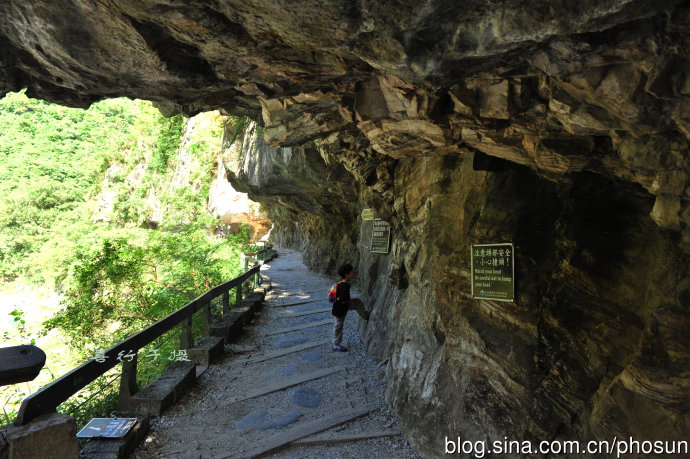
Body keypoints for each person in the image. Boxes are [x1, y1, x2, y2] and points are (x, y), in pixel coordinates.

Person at [331, 263, 369, 352]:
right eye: (351, 271)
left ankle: (336, 343)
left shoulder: (338, 283)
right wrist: (348, 303)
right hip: (341, 308)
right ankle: (336, 345)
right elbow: (345, 299)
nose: (354, 272)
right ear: (347, 275)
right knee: (338, 325)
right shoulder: (346, 286)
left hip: (337, 307)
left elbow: (332, 297)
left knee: (338, 324)